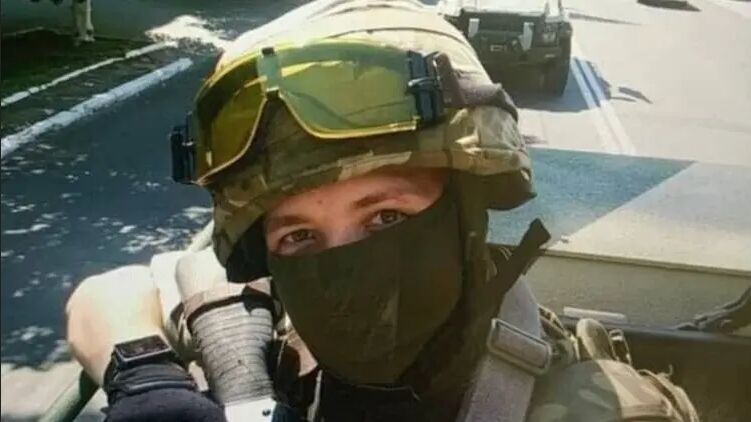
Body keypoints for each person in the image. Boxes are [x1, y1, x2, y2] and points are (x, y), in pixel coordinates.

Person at [65, 1, 700, 421]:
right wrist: (147, 380)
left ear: (467, 212)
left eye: (386, 218)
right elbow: (106, 294)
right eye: (299, 236)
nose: (345, 268)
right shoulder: (273, 328)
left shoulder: (599, 411)